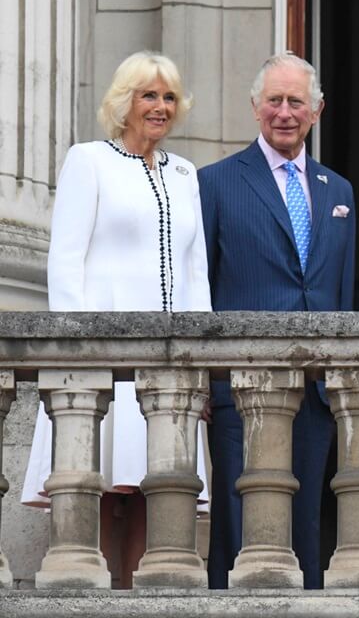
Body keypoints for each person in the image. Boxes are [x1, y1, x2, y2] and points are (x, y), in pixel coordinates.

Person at [22, 51, 211, 588]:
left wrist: (204, 361)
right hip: (101, 360)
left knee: (159, 494)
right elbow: (65, 262)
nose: (160, 106)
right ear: (124, 102)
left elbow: (195, 272)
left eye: (169, 96)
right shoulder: (90, 160)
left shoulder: (184, 173)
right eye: (148, 95)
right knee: (100, 490)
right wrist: (74, 356)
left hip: (171, 366)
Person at [199, 52, 356, 590]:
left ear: (317, 111)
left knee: (306, 520)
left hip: (315, 389)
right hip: (238, 388)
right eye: (274, 101)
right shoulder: (215, 183)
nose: (284, 112)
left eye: (296, 102)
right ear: (255, 107)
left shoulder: (339, 191)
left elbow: (340, 292)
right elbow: (202, 287)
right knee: (237, 522)